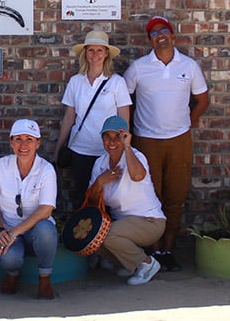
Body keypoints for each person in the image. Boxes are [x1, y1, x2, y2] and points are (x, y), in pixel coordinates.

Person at [124, 15, 209, 271]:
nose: (159, 36)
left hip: (179, 140)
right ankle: (153, 249)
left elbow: (202, 100)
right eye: (153, 33)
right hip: (147, 140)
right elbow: (123, 100)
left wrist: (187, 123)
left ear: (173, 36)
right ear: (149, 39)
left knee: (175, 197)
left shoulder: (189, 66)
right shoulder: (139, 67)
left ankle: (168, 249)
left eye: (164, 31)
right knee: (151, 197)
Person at [54, 30, 131, 207]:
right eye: (91, 50)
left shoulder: (116, 82)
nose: (95, 55)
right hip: (80, 150)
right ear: (85, 53)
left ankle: (108, 235)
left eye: (99, 50)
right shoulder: (75, 81)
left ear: (106, 54)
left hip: (108, 150)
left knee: (108, 199)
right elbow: (69, 117)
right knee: (84, 198)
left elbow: (124, 118)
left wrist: (125, 148)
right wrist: (58, 148)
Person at [87, 116, 167, 285]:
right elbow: (92, 201)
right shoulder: (100, 163)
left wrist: (128, 147)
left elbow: (138, 176)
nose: (112, 141)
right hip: (123, 225)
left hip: (149, 221)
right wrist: (100, 181)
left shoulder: (136, 155)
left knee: (106, 235)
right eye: (107, 137)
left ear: (125, 137)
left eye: (118, 136)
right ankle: (132, 264)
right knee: (93, 239)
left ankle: (147, 263)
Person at [0, 119, 58, 299]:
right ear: (11, 142)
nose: (23, 145)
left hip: (35, 232)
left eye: (29, 139)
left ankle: (44, 278)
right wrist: (1, 230)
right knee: (8, 256)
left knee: (46, 230)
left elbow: (46, 209)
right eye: (18, 139)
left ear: (38, 143)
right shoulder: (1, 166)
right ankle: (12, 275)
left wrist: (15, 232)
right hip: (7, 227)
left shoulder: (46, 170)